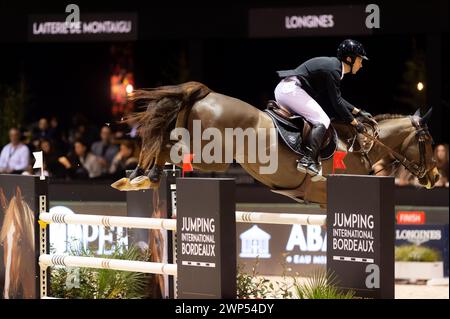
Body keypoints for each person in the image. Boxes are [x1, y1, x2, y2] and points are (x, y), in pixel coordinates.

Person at [274, 39, 372, 180]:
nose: (361, 64)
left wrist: (358, 111)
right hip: (291, 90)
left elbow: (338, 98)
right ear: (349, 59)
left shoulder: (334, 67)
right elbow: (337, 102)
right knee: (323, 119)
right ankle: (307, 160)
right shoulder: (334, 70)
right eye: (360, 60)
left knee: (316, 119)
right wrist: (355, 123)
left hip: (286, 90)